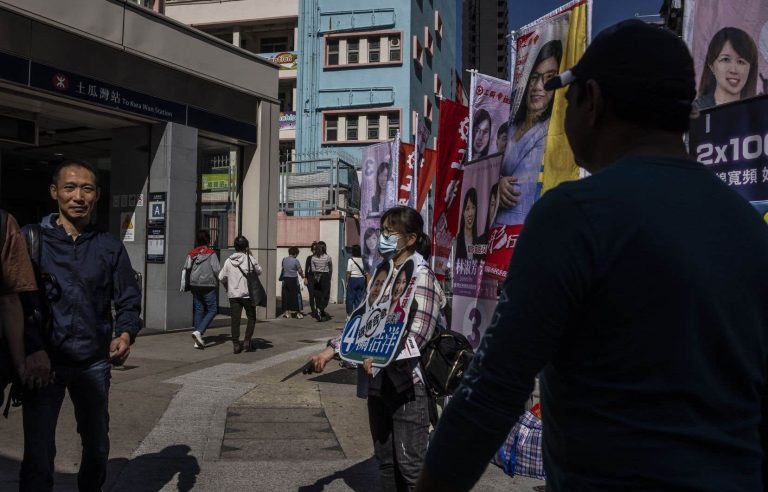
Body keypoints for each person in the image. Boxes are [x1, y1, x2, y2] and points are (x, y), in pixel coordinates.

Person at [417, 20, 768, 492]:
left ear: (593, 101)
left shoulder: (573, 217)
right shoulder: (748, 227)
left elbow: (491, 393)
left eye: (570, 96)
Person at [20, 159, 141, 491]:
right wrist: (32, 349)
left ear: (97, 195)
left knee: (97, 444)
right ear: (54, 192)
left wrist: (126, 332)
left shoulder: (109, 246)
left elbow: (128, 297)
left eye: (86, 188)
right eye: (70, 187)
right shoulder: (32, 241)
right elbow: (19, 303)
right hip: (44, 362)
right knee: (38, 453)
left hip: (93, 362)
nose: (78, 196)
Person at [310, 206, 446, 492]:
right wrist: (330, 351)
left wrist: (384, 357)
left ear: (410, 238)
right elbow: (361, 322)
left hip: (407, 387)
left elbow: (418, 336)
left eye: (390, 232)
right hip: (377, 385)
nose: (383, 237)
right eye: (382, 230)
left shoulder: (422, 278)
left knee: (411, 467)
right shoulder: (383, 274)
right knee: (385, 462)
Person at [495, 40, 562, 226]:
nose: (538, 86)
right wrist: (497, 183)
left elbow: (522, 190)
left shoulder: (550, 130)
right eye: (535, 76)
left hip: (522, 228)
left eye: (549, 77)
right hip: (497, 232)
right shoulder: (511, 127)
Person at [0, 210, 39, 408]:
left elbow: (10, 301)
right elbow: (10, 301)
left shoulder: (5, 224)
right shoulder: (4, 222)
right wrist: (20, 366)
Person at [219, 235, 263, 353]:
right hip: (248, 295)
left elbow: (221, 277)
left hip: (233, 295)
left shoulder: (228, 261)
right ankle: (247, 341)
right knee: (252, 318)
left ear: (235, 247)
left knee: (235, 320)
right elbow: (259, 271)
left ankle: (236, 344)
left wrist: (227, 287)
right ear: (246, 247)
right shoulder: (249, 259)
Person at [696, 26, 758, 108]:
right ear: (711, 66)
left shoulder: (760, 114)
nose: (733, 70)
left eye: (741, 61)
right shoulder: (694, 113)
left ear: (750, 69)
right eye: (725, 59)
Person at [181, 230, 221, 350]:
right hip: (208, 285)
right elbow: (217, 270)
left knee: (199, 309)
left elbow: (186, 267)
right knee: (213, 309)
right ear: (208, 240)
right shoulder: (211, 253)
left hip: (194, 284)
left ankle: (197, 339)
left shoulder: (192, 253)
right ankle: (199, 332)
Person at [310, 241, 333, 322]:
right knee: (326, 294)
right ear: (324, 248)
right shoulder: (328, 257)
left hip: (316, 276)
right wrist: (330, 276)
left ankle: (320, 310)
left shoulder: (313, 258)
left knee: (318, 294)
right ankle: (321, 308)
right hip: (325, 276)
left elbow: (313, 269)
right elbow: (330, 268)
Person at [281, 246, 305, 319]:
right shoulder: (295, 261)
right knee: (296, 296)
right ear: (295, 253)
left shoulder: (284, 260)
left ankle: (287, 313)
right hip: (293, 279)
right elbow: (300, 271)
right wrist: (302, 275)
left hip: (285, 280)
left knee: (286, 296)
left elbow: (283, 268)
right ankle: (298, 313)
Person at [454, 188, 478, 260]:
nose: (470, 213)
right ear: (463, 212)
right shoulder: (456, 239)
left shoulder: (480, 241)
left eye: (473, 208)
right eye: (467, 209)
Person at [345, 244, 366, 317]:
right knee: (359, 298)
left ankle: (349, 315)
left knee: (350, 298)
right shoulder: (363, 260)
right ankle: (358, 314)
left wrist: (347, 282)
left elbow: (348, 272)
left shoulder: (350, 260)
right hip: (361, 279)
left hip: (353, 279)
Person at [304, 241, 318, 319]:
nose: (314, 251)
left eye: (316, 249)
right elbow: (306, 268)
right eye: (313, 249)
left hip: (318, 278)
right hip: (310, 277)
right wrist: (305, 278)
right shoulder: (309, 258)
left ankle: (318, 309)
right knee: (312, 295)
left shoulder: (320, 258)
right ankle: (313, 311)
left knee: (317, 295)